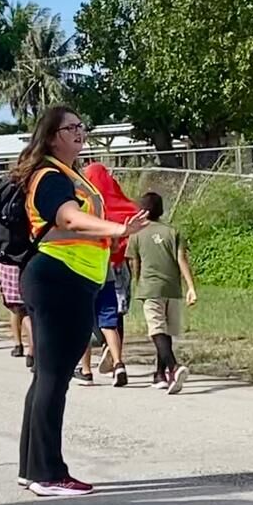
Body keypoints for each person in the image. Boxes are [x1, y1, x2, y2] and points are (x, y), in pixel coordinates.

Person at [14, 107, 148, 497]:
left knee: (47, 376)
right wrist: (120, 229)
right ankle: (47, 473)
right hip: (59, 278)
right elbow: (69, 220)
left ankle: (33, 467)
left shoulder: (72, 174)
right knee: (54, 377)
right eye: (70, 127)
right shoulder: (50, 176)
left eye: (81, 125)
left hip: (70, 280)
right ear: (52, 136)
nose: (79, 132)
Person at [74, 162, 141, 387]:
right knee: (111, 320)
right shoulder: (117, 208)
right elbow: (117, 241)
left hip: (86, 273)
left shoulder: (85, 211)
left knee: (83, 321)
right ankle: (119, 362)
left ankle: (85, 370)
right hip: (114, 270)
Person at [127, 192, 197, 395]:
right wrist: (191, 287)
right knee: (165, 332)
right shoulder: (172, 231)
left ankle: (174, 367)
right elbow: (182, 259)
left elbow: (135, 262)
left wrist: (137, 282)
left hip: (150, 288)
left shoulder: (137, 233)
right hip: (172, 289)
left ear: (142, 211)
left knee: (156, 330)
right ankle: (159, 374)